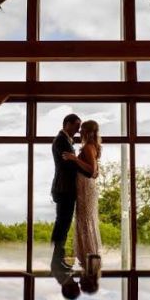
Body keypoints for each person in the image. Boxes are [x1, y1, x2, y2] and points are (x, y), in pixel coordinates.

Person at [50, 113, 90, 274]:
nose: (78, 130)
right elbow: (68, 165)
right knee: (62, 225)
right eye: (76, 126)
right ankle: (56, 262)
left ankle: (57, 260)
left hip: (64, 188)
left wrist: (76, 159)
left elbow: (71, 162)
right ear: (67, 124)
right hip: (64, 188)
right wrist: (85, 167)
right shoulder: (61, 140)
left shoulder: (65, 140)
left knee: (63, 225)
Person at [62, 120, 102, 270]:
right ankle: (89, 258)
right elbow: (96, 172)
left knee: (85, 222)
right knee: (85, 221)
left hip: (85, 188)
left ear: (87, 132)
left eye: (82, 130)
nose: (79, 133)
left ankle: (89, 257)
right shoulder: (92, 147)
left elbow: (92, 171)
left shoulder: (87, 147)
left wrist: (74, 159)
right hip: (85, 187)